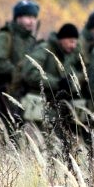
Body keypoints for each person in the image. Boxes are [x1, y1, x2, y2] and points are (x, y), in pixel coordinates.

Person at [20, 23, 85, 152]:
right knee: (43, 143)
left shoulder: (71, 54)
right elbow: (30, 73)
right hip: (41, 103)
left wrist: (71, 83)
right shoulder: (44, 50)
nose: (73, 45)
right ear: (61, 39)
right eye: (70, 41)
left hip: (60, 105)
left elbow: (80, 74)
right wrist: (57, 83)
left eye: (75, 42)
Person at [0, 0, 39, 119]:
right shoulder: (5, 36)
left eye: (34, 17)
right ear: (18, 18)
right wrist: (17, 72)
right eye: (28, 17)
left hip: (20, 97)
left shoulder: (31, 41)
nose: (32, 21)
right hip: (0, 98)